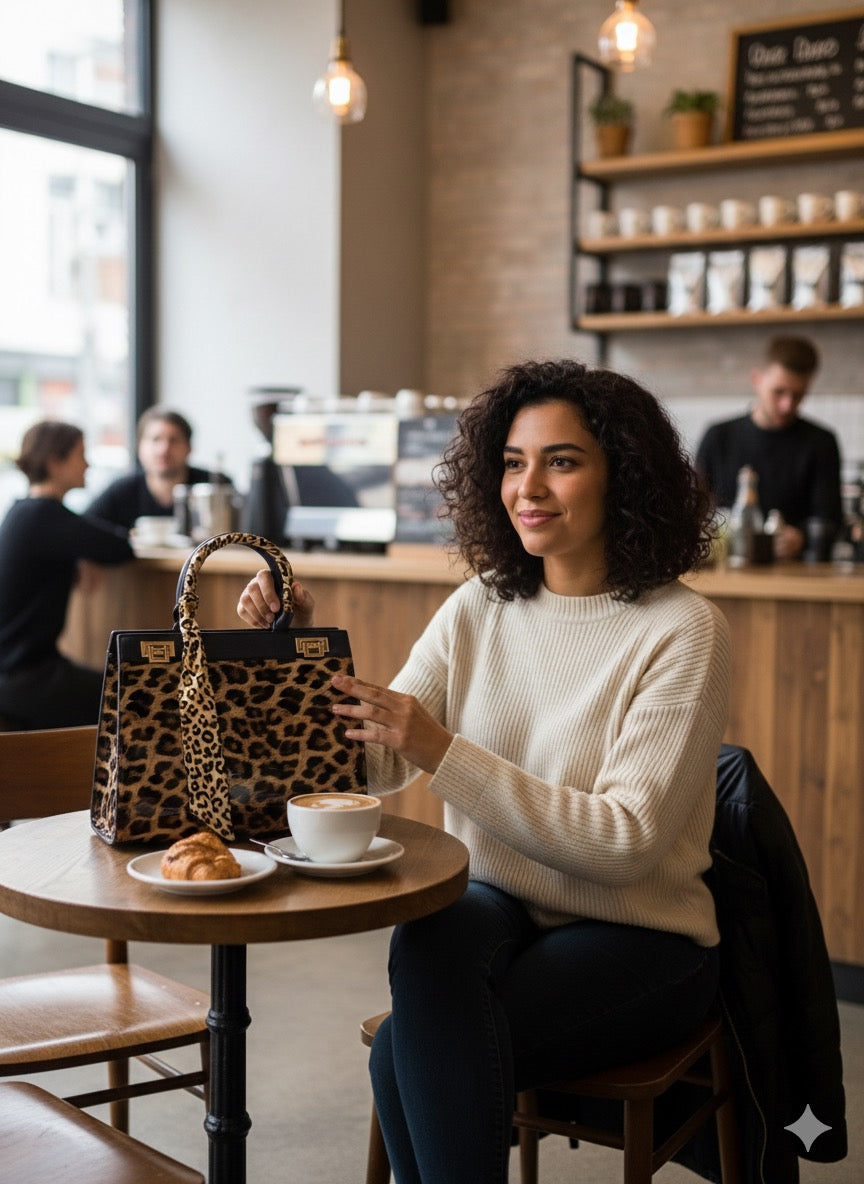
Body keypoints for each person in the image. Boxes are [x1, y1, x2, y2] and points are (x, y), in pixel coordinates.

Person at [237, 358, 732, 1184]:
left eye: (561, 461)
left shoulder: (684, 629)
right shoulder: (480, 605)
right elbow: (371, 761)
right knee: (434, 931)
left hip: (641, 936)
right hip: (501, 906)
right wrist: (295, 648)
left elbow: (627, 845)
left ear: (625, 476)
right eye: (512, 462)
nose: (528, 487)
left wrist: (442, 749)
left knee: (404, 1047)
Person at [0, 421, 134, 730]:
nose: (87, 464)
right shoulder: (45, 515)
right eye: (80, 455)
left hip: (16, 674)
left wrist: (77, 556)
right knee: (136, 693)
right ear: (55, 463)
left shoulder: (23, 512)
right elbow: (120, 546)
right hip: (25, 678)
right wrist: (82, 552)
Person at [695, 335, 842, 561]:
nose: (787, 405)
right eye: (779, 392)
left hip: (794, 571)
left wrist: (801, 538)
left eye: (798, 395)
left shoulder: (821, 442)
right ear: (757, 380)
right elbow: (695, 511)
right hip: (726, 567)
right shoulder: (718, 437)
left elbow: (831, 520)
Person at [87, 407, 231, 530]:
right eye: (155, 439)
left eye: (173, 440)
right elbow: (85, 528)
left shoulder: (216, 486)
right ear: (139, 447)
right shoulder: (122, 491)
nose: (163, 450)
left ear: (189, 447)